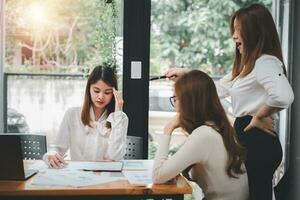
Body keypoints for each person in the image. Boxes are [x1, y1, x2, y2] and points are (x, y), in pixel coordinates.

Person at [165, 4, 294, 200]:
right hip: (249, 136)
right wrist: (187, 75)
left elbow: (285, 96)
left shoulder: (265, 62)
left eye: (238, 30)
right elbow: (216, 89)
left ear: (254, 32)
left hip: (257, 140)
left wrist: (259, 115)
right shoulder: (248, 66)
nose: (233, 36)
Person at [152, 70, 249, 200]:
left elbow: (158, 175)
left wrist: (167, 129)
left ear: (189, 102)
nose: (175, 106)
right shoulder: (217, 127)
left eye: (175, 98)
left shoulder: (204, 135)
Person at [43, 65, 128, 168]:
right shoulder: (72, 114)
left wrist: (118, 112)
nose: (101, 96)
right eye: (96, 91)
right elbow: (57, 148)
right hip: (78, 176)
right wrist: (51, 154)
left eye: (107, 92)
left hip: (106, 176)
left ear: (114, 94)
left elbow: (116, 156)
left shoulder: (120, 118)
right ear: (89, 90)